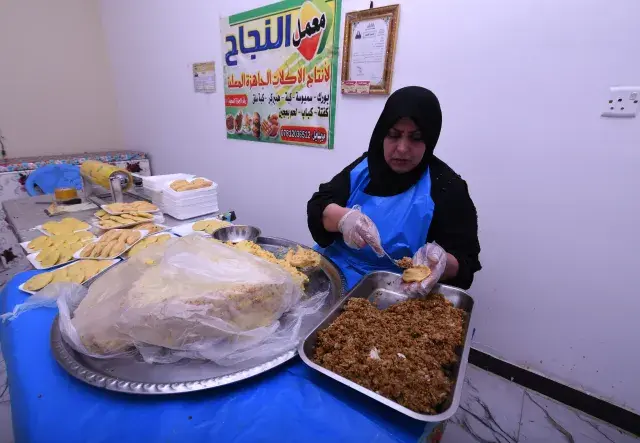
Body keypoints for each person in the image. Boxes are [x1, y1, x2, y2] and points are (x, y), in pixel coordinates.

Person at [307, 86, 481, 294]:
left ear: (430, 138)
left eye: (416, 137)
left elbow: (466, 262)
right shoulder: (366, 166)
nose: (402, 148)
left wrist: (442, 262)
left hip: (392, 292)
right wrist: (343, 218)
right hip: (330, 276)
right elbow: (318, 205)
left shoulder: (447, 186)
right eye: (393, 134)